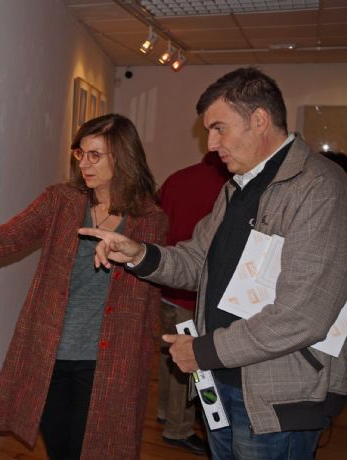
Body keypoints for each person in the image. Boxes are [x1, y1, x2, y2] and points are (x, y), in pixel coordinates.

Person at [79, 68, 347, 460]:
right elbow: (195, 260)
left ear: (259, 120)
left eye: (219, 128)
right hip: (221, 381)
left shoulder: (320, 188)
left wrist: (202, 352)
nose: (210, 144)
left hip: (275, 396)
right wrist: (139, 254)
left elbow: (302, 316)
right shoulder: (237, 186)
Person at [0, 114, 167, 460]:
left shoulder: (149, 220)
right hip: (50, 350)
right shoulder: (61, 201)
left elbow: (149, 294)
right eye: (80, 153)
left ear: (123, 157)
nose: (84, 164)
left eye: (95, 155)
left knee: (97, 448)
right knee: (59, 446)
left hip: (108, 356)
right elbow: (7, 237)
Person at [155, 151, 229, 456]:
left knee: (168, 355)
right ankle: (178, 428)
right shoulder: (227, 187)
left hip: (165, 283)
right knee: (187, 364)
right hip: (193, 293)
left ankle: (164, 412)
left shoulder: (176, 178)